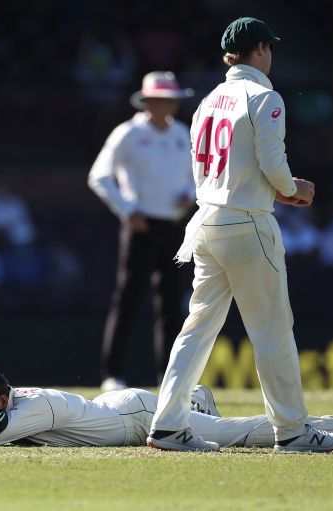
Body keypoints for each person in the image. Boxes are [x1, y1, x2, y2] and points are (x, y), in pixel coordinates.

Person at [146, 17, 333, 453]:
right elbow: (273, 162)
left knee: (195, 330)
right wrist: (293, 189)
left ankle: (167, 426)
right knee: (272, 329)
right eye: (269, 48)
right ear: (260, 50)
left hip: (207, 221)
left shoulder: (208, 100)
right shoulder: (264, 96)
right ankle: (292, 431)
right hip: (248, 221)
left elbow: (202, 167)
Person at [0, 365, 333, 452]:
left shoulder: (33, 409)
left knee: (242, 434)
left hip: (136, 419)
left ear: (1, 401)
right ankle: (194, 398)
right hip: (116, 409)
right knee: (216, 422)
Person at [88, 71, 196, 392]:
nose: (168, 106)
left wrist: (188, 195)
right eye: (161, 100)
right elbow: (99, 176)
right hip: (140, 227)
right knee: (129, 300)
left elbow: (195, 176)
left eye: (172, 100)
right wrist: (127, 210)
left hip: (174, 227)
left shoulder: (181, 133)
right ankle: (113, 374)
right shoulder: (128, 133)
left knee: (171, 303)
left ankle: (169, 379)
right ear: (148, 102)